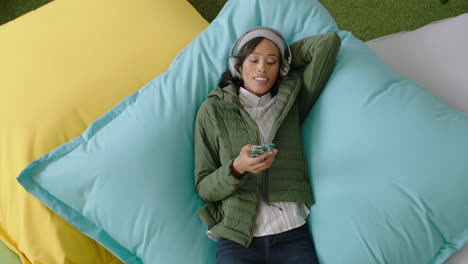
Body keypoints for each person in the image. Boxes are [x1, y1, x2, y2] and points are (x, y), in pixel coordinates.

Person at [194, 26, 341, 264]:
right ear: (238, 65)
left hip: (292, 234)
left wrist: (284, 58)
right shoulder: (212, 110)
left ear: (281, 68)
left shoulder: (292, 100)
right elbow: (204, 187)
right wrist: (237, 167)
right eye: (253, 60)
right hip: (236, 239)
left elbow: (328, 43)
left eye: (271, 62)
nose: (262, 67)